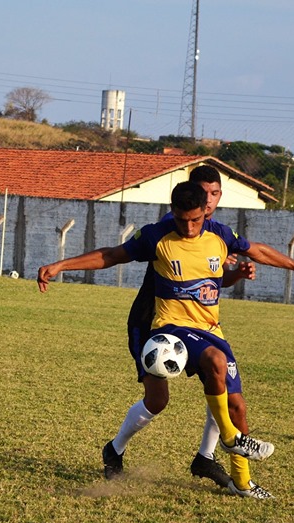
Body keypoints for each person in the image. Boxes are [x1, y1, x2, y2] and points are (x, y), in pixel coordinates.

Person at [38, 181, 294, 499]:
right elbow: (112, 255)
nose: (188, 228)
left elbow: (254, 251)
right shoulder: (156, 236)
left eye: (195, 220)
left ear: (206, 212)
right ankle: (228, 438)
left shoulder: (220, 235)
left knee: (236, 404)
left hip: (211, 328)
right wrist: (62, 264)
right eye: (182, 220)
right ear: (172, 211)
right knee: (207, 366)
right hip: (171, 326)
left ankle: (242, 482)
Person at [107, 165, 252, 490]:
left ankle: (207, 456)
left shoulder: (214, 234)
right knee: (158, 400)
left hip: (198, 326)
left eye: (215, 193)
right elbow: (116, 255)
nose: (209, 199)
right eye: (204, 192)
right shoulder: (168, 229)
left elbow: (211, 282)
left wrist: (236, 273)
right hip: (152, 322)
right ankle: (114, 449)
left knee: (220, 381)